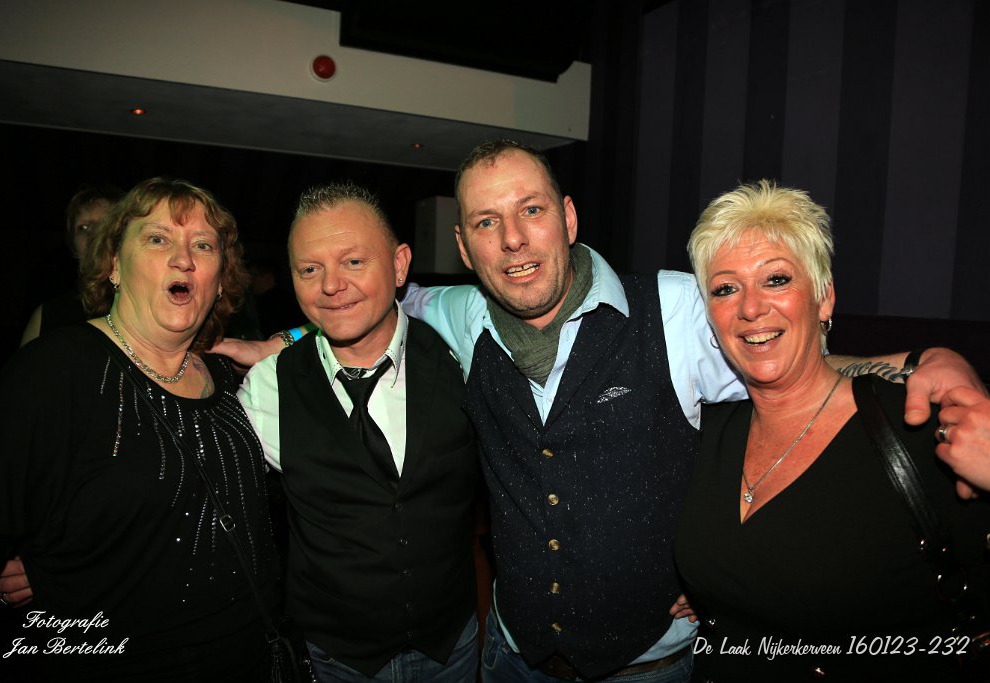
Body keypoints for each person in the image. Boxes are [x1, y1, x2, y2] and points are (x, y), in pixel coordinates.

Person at [215, 140, 984, 682]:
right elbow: (366, 304)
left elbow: (784, 353)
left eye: (531, 210)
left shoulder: (675, 307)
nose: (513, 240)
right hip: (511, 657)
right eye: (486, 222)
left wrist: (923, 362)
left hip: (650, 663)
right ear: (464, 246)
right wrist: (284, 340)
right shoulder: (458, 316)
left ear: (569, 217)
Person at [0, 178, 280, 682]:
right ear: (114, 263)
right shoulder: (57, 370)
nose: (184, 259)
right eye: (157, 239)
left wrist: (275, 347)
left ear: (220, 279)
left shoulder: (227, 376)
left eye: (203, 245)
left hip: (256, 661)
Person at [674, 180, 990, 681]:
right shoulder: (706, 430)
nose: (750, 308)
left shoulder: (909, 424)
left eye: (776, 279)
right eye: (726, 288)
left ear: (824, 300)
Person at [238, 182, 482, 681]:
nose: (331, 285)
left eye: (353, 261)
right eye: (310, 269)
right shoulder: (267, 387)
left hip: (452, 645)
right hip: (334, 658)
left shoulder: (461, 356)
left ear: (399, 265)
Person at [20, 183, 124, 346]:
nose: (93, 235)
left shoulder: (146, 307)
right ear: (72, 245)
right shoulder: (50, 315)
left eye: (104, 224)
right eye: (83, 228)